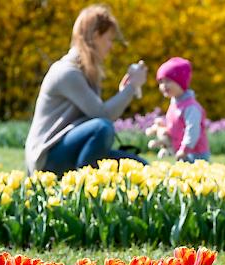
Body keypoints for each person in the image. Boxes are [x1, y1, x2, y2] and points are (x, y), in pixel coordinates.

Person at [25, 4, 148, 176]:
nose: (111, 46)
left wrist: (125, 91)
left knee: (141, 167)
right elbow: (102, 116)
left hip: (67, 150)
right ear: (96, 36)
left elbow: (99, 115)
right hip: (47, 158)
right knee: (102, 128)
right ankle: (84, 192)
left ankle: (90, 190)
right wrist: (132, 88)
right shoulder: (67, 72)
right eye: (109, 39)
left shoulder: (87, 71)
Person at [149, 57, 210, 162]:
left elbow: (192, 130)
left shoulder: (191, 107)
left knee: (195, 177)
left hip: (195, 153)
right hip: (183, 152)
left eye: (168, 81)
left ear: (181, 83)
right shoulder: (175, 103)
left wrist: (185, 149)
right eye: (161, 82)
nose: (163, 86)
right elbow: (176, 126)